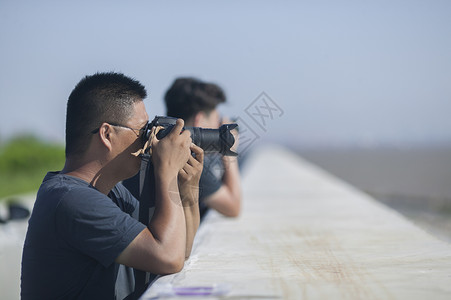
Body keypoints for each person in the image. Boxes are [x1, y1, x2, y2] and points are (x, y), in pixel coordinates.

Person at [20, 72, 203, 299]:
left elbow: (180, 249)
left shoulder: (109, 193)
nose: (148, 141)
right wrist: (167, 170)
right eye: (142, 131)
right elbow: (168, 257)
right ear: (107, 134)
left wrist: (187, 190)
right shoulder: (70, 199)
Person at [124, 77, 241, 219]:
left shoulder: (150, 147)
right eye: (217, 120)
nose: (218, 127)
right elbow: (233, 208)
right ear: (200, 119)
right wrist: (229, 152)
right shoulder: (186, 161)